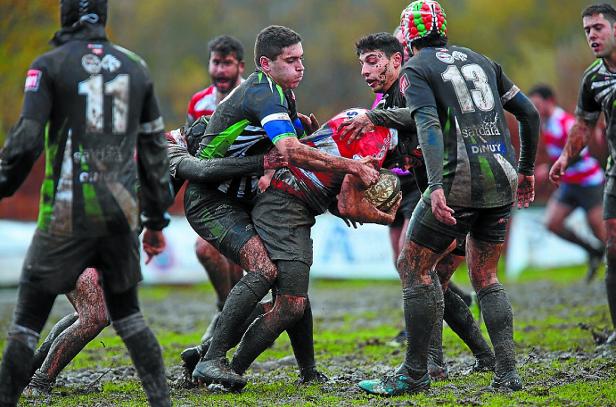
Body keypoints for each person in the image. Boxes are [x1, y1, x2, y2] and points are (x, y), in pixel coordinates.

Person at [358, 0, 539, 395]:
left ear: (406, 36)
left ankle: (415, 373)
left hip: (456, 184)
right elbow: (529, 114)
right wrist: (525, 170)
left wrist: (437, 186)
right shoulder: (482, 60)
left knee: (412, 266)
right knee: (486, 277)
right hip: (502, 180)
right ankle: (506, 374)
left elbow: (426, 124)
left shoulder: (416, 68)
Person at [186, 25, 379, 389]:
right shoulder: (263, 93)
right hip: (209, 199)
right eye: (290, 60)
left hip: (237, 195)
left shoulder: (281, 92)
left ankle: (210, 352)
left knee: (291, 286)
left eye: (301, 59)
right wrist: (352, 165)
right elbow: (290, 151)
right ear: (265, 64)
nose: (300, 67)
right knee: (265, 270)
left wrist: (303, 128)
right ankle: (211, 360)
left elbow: (287, 143)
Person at [0, 1, 174, 406]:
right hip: (120, 217)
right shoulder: (136, 66)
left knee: (25, 328)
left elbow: (26, 139)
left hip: (64, 216)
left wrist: (4, 184)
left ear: (65, 16)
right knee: (129, 319)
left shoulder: (48, 65)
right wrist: (156, 221)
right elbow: (154, 151)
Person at [339, 31, 494, 377]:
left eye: (372, 61)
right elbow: (396, 147)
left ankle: (434, 363)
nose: (364, 71)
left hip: (457, 191)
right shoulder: (386, 101)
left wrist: (375, 119)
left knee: (422, 272)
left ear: (398, 59)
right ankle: (482, 356)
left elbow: (423, 116)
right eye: (361, 64)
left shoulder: (413, 83)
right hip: (444, 193)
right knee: (431, 274)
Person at [550, 3, 616, 346]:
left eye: (598, 28)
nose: (592, 35)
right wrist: (565, 157)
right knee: (615, 248)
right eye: (587, 31)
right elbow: (583, 124)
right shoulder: (593, 79)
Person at [186, 35, 247, 345]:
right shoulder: (199, 103)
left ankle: (232, 319)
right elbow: (191, 149)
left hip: (247, 191)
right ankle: (226, 307)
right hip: (213, 191)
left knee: (239, 266)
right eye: (215, 63)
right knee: (205, 249)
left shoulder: (255, 95)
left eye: (227, 64)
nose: (220, 70)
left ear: (240, 66)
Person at [529, 84, 606, 281]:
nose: (535, 109)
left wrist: (549, 168)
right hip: (569, 183)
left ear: (550, 101)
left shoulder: (565, 122)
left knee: (602, 231)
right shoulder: (544, 124)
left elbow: (581, 151)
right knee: (552, 223)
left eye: (538, 104)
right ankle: (593, 252)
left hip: (589, 182)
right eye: (532, 105)